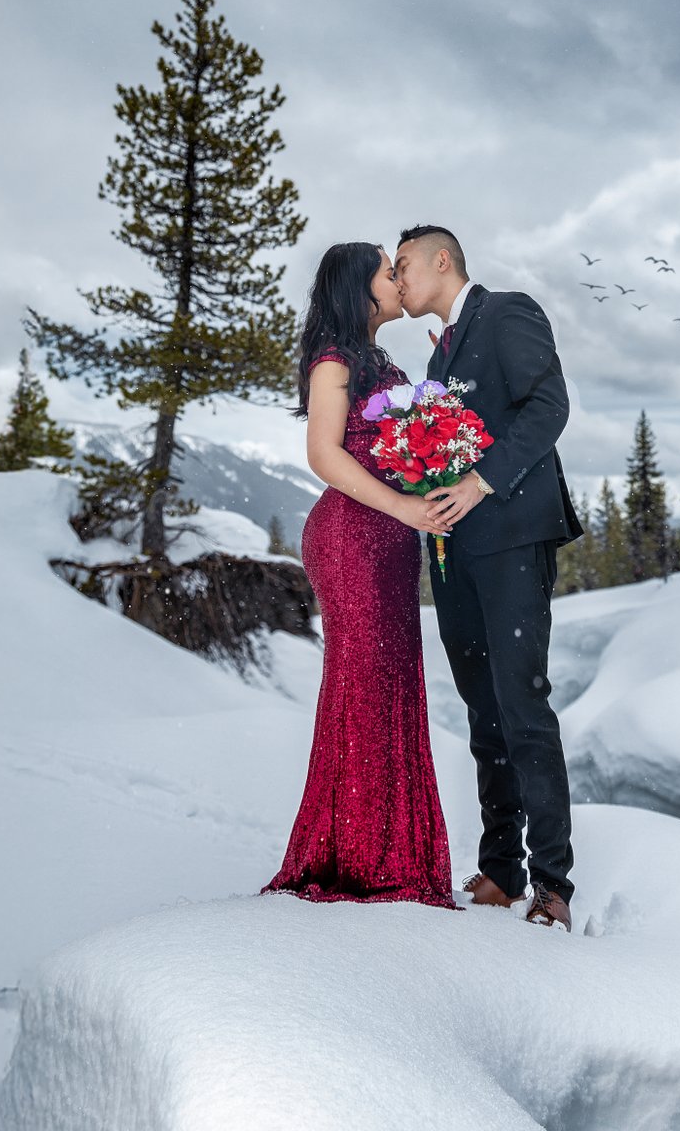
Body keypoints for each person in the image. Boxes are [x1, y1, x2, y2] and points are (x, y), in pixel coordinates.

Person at [393, 225, 583, 932]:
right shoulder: (439, 353)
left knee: (522, 707)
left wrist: (478, 482)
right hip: (454, 553)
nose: (398, 278)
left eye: (404, 265)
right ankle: (500, 869)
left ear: (443, 261)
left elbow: (548, 407)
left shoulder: (507, 312)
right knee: (482, 711)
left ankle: (552, 885)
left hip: (511, 537)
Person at [264, 242, 454, 907]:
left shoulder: (382, 360)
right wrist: (404, 502)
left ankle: (392, 856)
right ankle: (363, 863)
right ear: (357, 289)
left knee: (393, 687)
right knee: (366, 690)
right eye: (385, 269)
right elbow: (322, 453)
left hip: (391, 543)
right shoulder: (335, 359)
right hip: (353, 537)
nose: (397, 278)